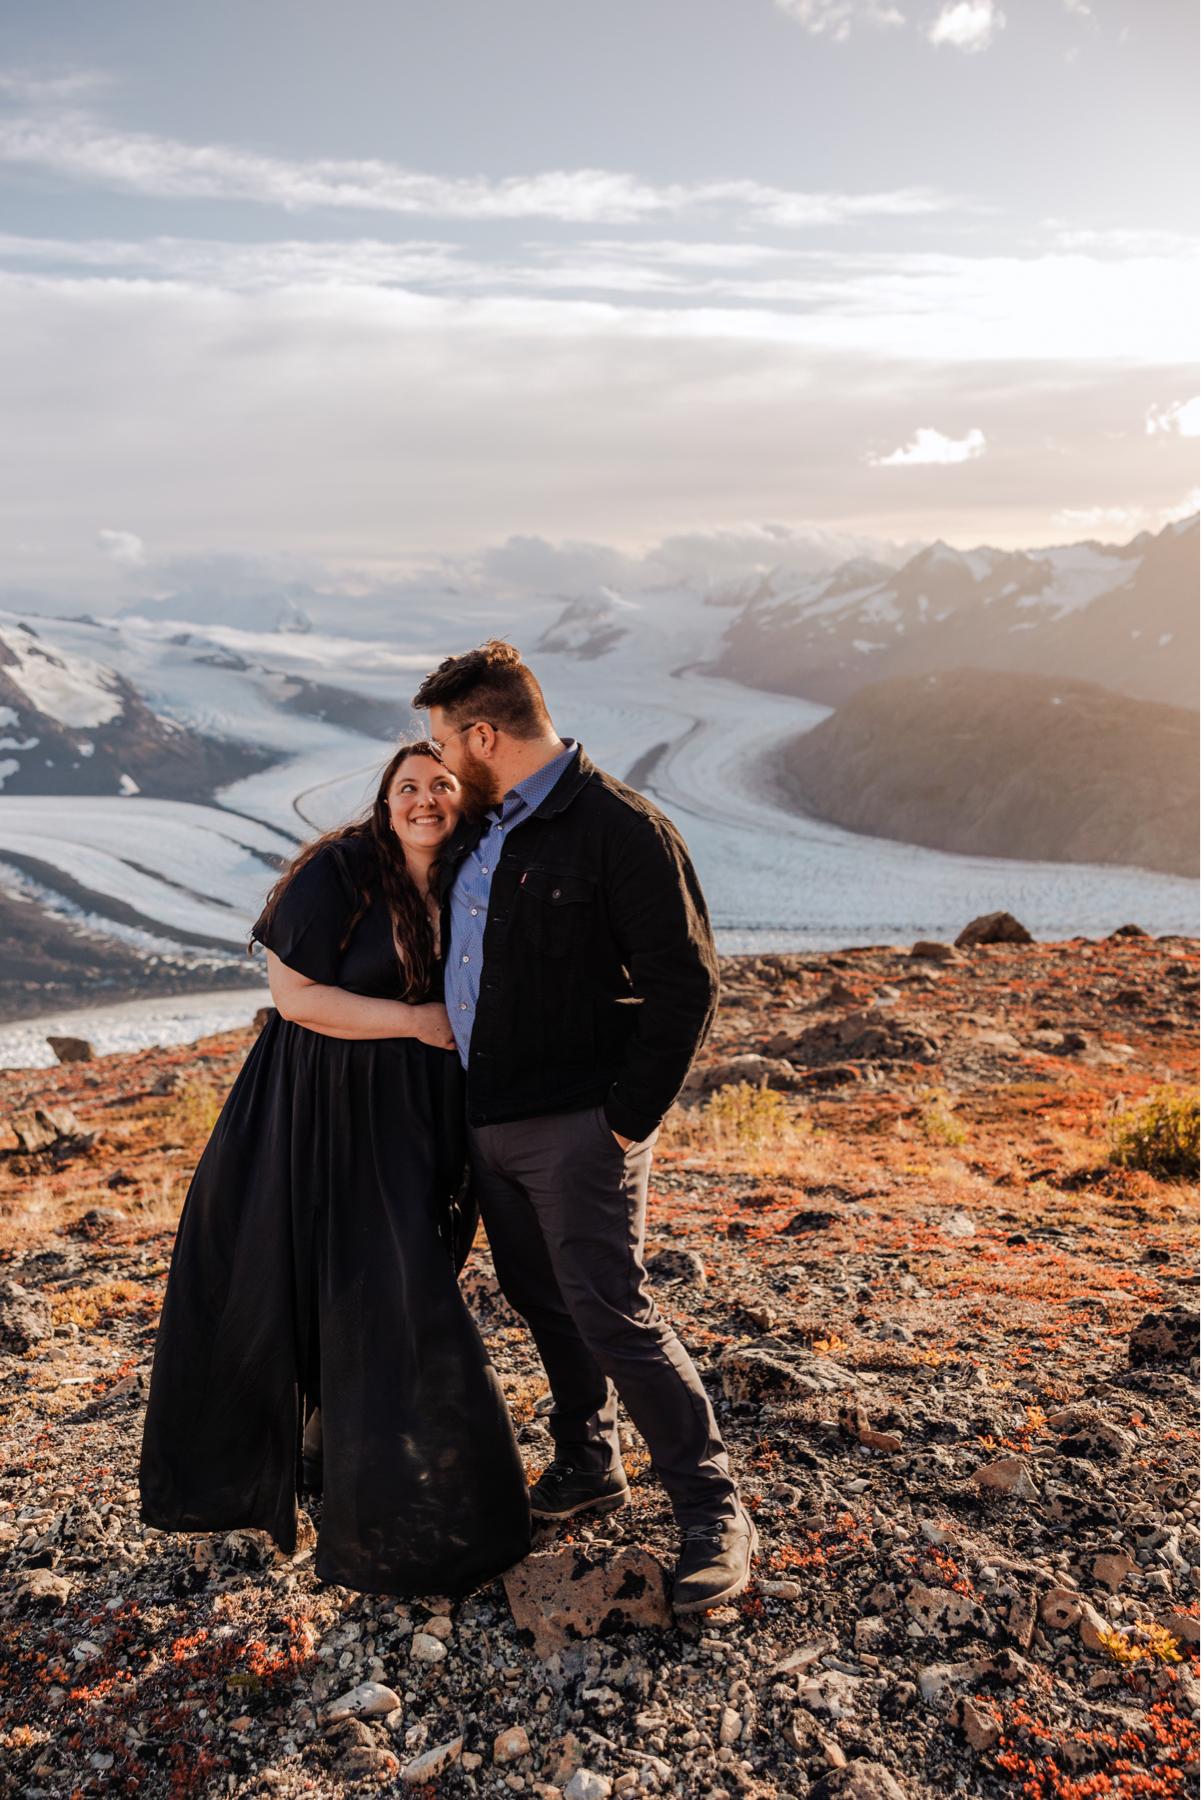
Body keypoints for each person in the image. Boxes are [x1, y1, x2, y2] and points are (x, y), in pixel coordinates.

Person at [138, 740, 532, 1597]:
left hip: (415, 1118)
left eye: (441, 786)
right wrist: (418, 1024)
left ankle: (338, 1457)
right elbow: (296, 998)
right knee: (371, 1287)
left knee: (377, 1282)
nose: (425, 800)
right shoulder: (341, 871)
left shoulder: (472, 879)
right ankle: (436, 1519)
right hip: (314, 1108)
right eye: (408, 788)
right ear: (384, 802)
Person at [413, 641, 756, 1614]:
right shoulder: (486, 830)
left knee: (611, 1309)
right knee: (540, 1298)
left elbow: (683, 984)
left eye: (445, 739)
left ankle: (712, 1511)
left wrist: (620, 1125)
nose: (437, 758)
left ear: (485, 734)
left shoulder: (620, 829)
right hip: (489, 1121)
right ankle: (588, 1463)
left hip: (576, 1128)